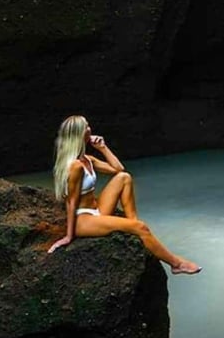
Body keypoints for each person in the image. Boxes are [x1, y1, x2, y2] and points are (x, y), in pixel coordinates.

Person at [44, 114, 201, 275]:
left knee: (124, 178)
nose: (89, 129)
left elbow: (118, 169)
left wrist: (103, 148)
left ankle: (133, 223)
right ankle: (176, 264)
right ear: (78, 134)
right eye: (86, 127)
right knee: (141, 227)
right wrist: (69, 236)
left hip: (98, 210)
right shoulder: (75, 166)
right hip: (83, 219)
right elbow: (71, 202)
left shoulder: (87, 159)